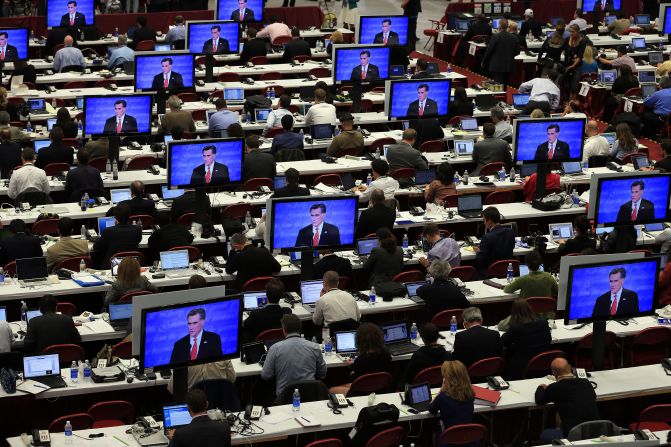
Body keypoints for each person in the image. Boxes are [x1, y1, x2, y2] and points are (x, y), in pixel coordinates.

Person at [261, 314, 327, 396]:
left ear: (284, 330)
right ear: (300, 329)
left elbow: (266, 375)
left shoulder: (275, 348)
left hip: (284, 398)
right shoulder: (314, 347)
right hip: (310, 396)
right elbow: (323, 373)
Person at [534, 358, 599, 440]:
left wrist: (541, 387)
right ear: (570, 368)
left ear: (553, 373)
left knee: (546, 434)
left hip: (572, 435)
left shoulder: (555, 388)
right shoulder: (586, 383)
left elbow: (539, 400)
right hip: (595, 432)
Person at [329, 323, 392, 395]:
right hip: (380, 390)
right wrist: (354, 365)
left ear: (359, 340)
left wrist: (353, 368)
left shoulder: (360, 360)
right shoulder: (386, 355)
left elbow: (356, 380)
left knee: (331, 389)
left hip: (361, 393)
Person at [501, 299, 552, 379]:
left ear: (514, 312)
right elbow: (549, 340)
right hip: (543, 362)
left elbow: (504, 342)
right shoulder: (543, 322)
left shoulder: (516, 327)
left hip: (522, 366)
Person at [428, 360, 475, 441]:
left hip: (449, 440)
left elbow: (431, 409)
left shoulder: (443, 397)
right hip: (469, 439)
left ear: (447, 378)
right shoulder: (470, 394)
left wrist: (441, 391)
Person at [166, 388, 231, 447]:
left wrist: (173, 440)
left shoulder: (180, 434)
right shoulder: (224, 428)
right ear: (207, 404)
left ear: (188, 408)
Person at [92, 203, 142, 268]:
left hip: (112, 265)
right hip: (132, 264)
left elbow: (96, 247)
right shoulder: (137, 229)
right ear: (130, 216)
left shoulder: (109, 230)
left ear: (115, 217)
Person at [243, 278, 291, 342]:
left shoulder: (256, 314)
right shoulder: (287, 312)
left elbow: (245, 324)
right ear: (282, 295)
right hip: (280, 343)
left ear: (266, 294)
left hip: (260, 346)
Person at [475, 207, 515, 276]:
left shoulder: (486, 237)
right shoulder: (510, 232)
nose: (484, 223)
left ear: (489, 220)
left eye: (484, 220)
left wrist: (479, 252)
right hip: (507, 271)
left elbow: (481, 259)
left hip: (490, 273)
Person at [482, 18, 520, 89]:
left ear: (499, 26)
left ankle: (499, 99)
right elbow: (517, 52)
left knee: (498, 86)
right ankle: (504, 98)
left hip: (497, 65)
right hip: (509, 65)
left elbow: (489, 51)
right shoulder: (514, 37)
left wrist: (483, 61)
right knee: (505, 85)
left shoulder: (495, 37)